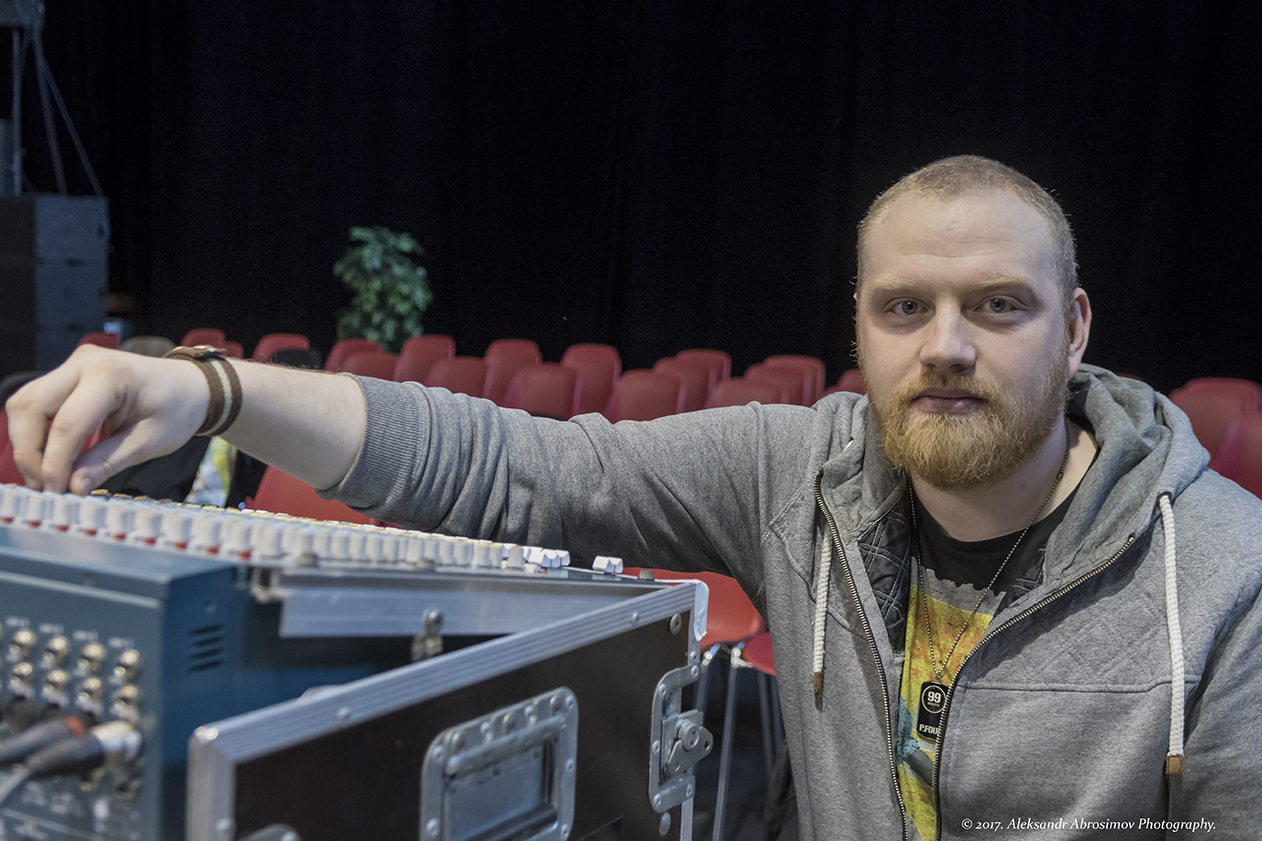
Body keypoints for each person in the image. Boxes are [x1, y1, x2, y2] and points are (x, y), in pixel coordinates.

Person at [6, 156, 1259, 839]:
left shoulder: (1223, 576)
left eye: (996, 305)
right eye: (902, 307)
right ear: (859, 329)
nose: (944, 345)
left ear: (1072, 327)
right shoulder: (797, 474)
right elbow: (516, 466)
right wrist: (214, 390)